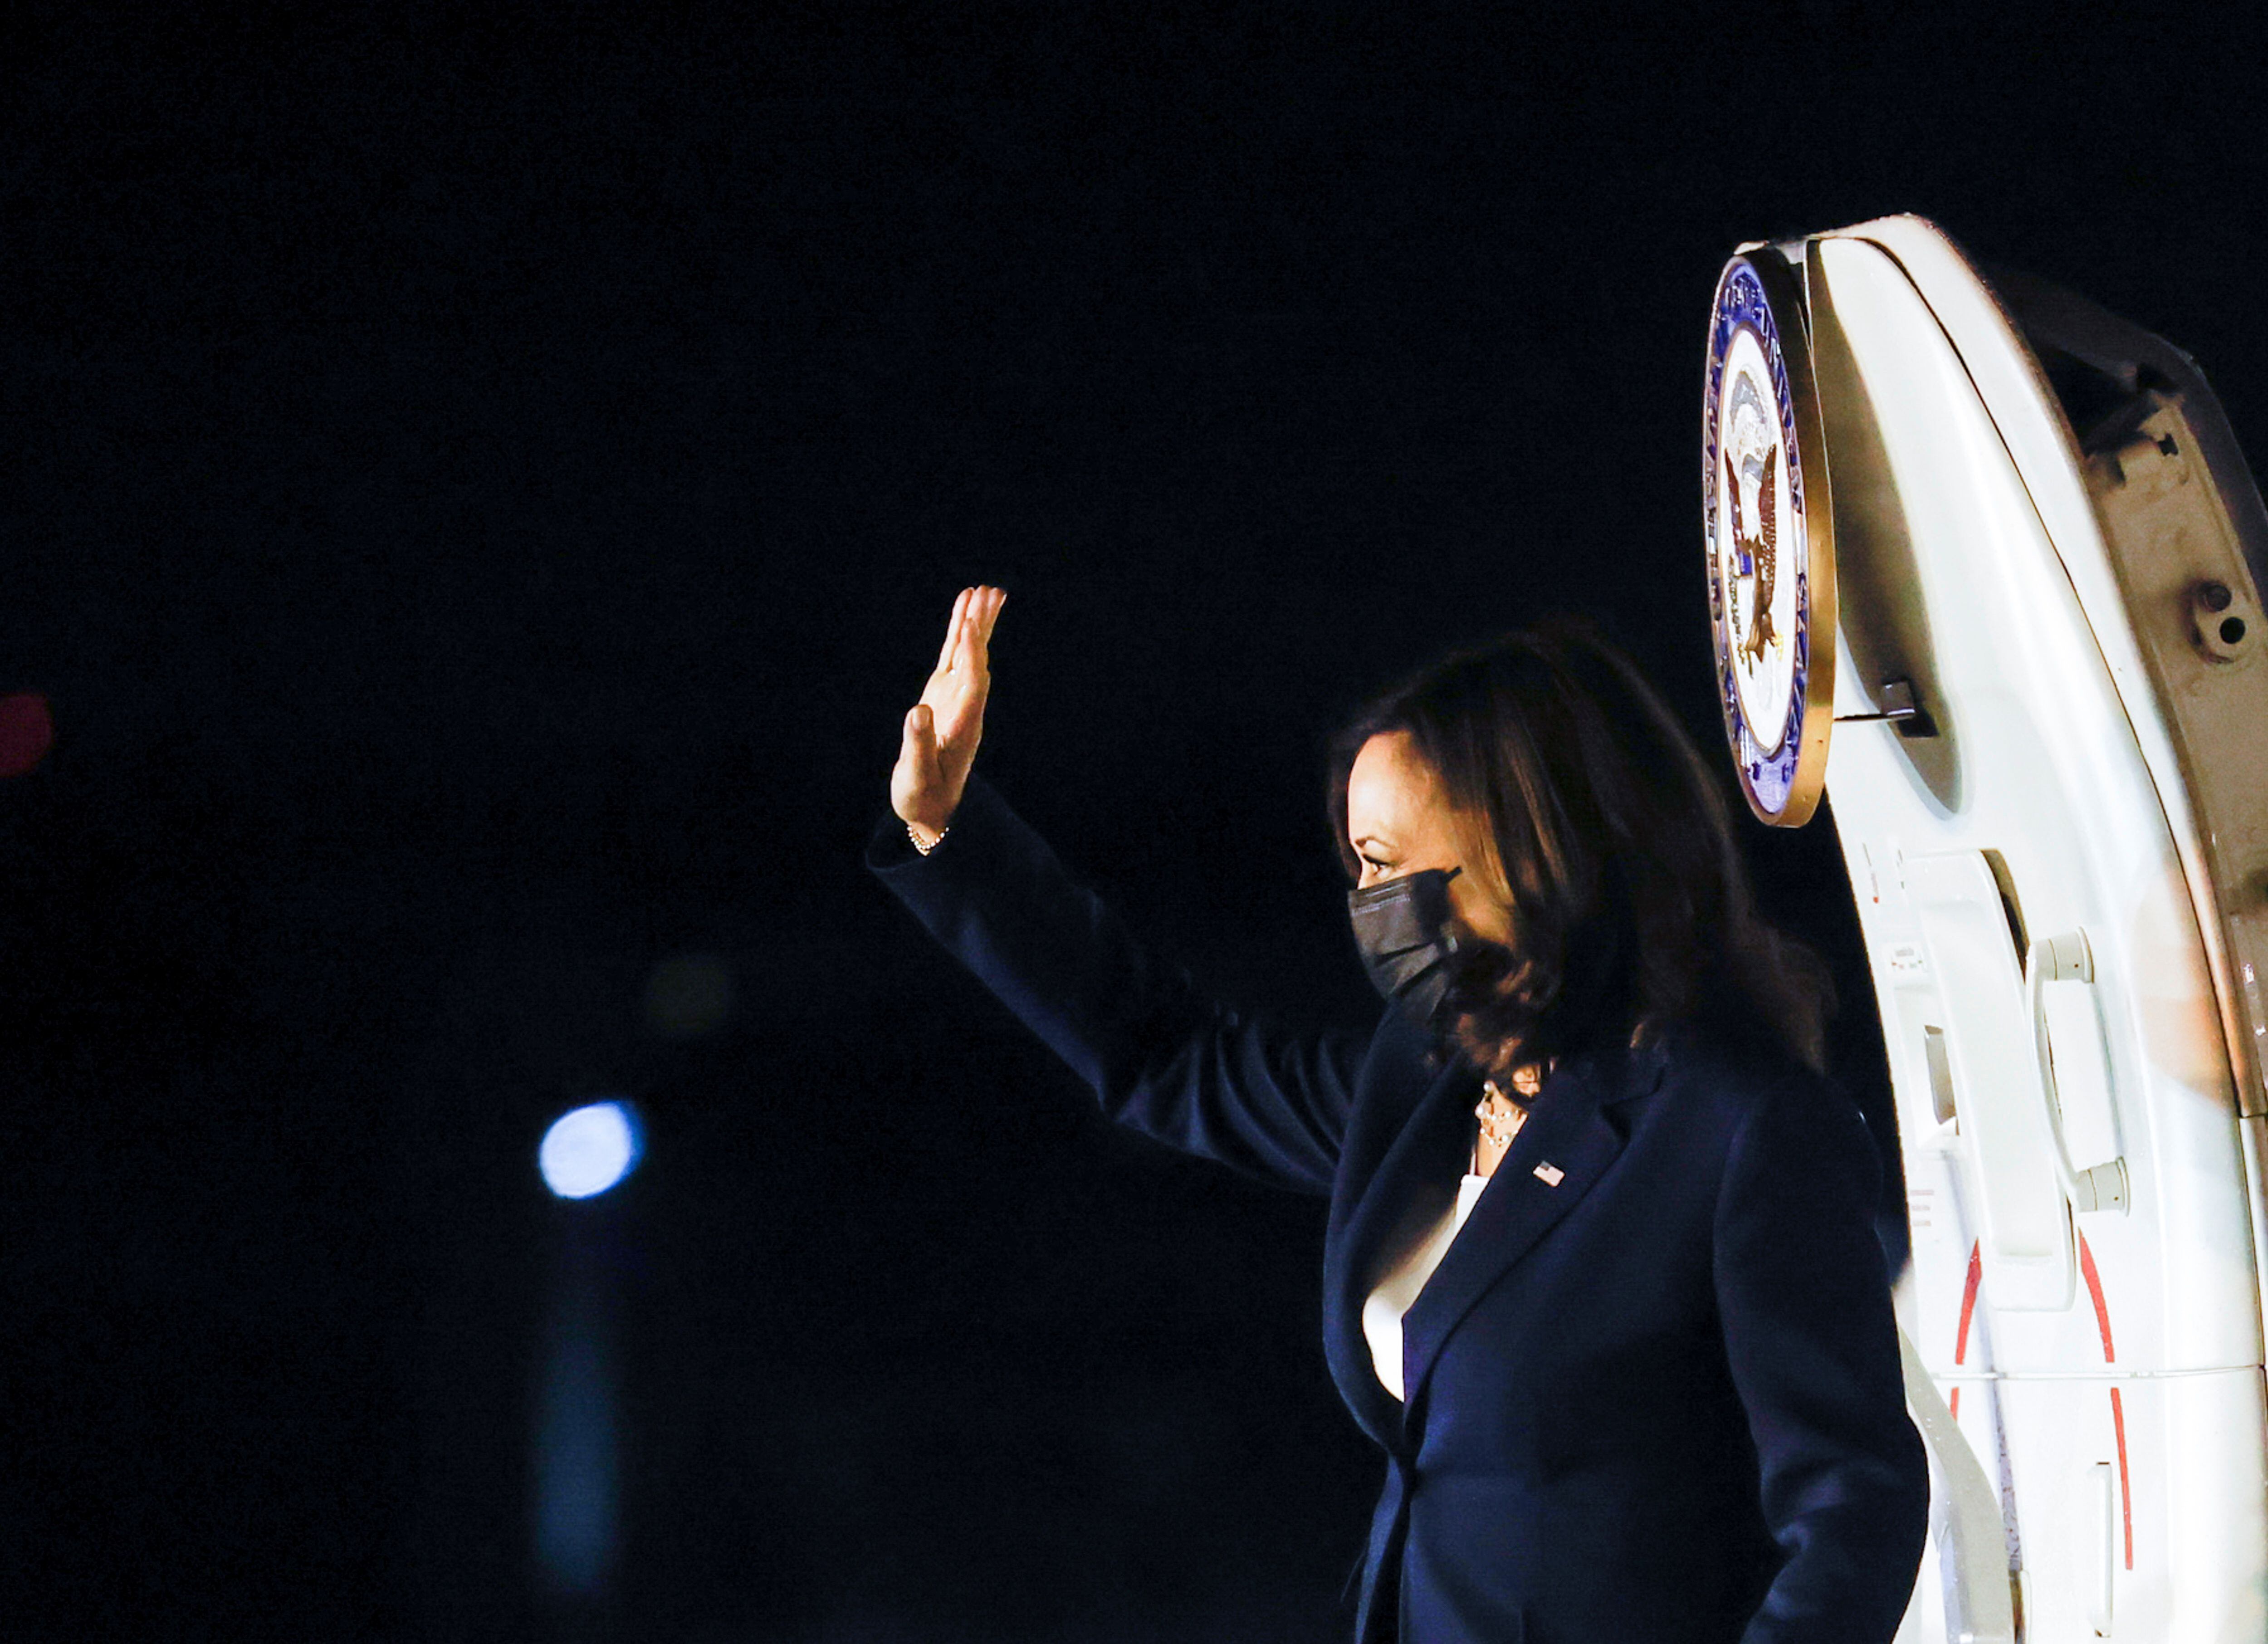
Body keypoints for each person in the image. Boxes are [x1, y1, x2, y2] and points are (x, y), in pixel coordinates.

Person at [869, 585, 1928, 1644]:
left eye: (1384, 860)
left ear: (1532, 846)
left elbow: (1853, 1509)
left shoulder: (1739, 1128)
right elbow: (1172, 1061)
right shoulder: (1427, 1081)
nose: (1367, 904)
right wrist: (944, 831)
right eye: (1355, 867)